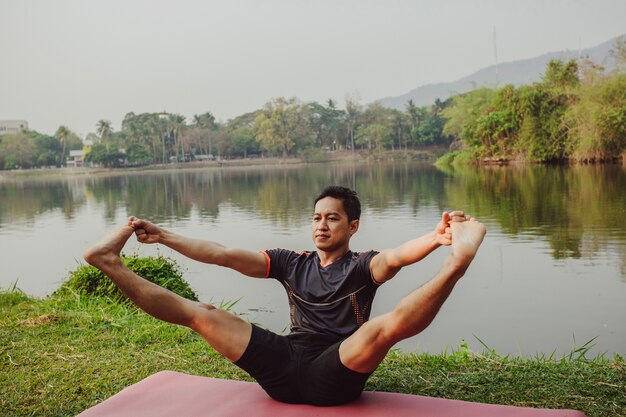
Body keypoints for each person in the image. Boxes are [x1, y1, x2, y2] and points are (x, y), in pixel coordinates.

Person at [84, 185, 486, 406]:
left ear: (353, 226)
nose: (322, 225)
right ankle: (110, 263)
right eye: (316, 218)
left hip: (338, 372)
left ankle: (457, 262)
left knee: (383, 328)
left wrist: (437, 239)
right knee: (202, 314)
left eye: (332, 218)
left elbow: (397, 257)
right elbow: (223, 256)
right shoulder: (291, 262)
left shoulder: (364, 265)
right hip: (284, 369)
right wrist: (164, 236)